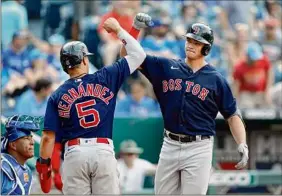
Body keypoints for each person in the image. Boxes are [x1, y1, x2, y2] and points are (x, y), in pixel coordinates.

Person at [120, 14, 249, 194]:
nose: (190, 44)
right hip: (170, 144)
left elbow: (232, 115)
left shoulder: (216, 79)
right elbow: (127, 55)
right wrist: (135, 29)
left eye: (197, 42)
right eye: (189, 40)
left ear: (206, 48)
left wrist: (242, 143)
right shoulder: (166, 67)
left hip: (199, 147)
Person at [35, 16, 146, 195]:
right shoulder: (105, 76)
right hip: (102, 150)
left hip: (74, 153)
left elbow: (48, 137)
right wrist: (119, 30)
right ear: (85, 60)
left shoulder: (56, 95)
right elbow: (138, 55)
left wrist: (44, 164)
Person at [1, 115, 40, 195]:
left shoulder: (26, 170)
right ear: (13, 145)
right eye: (26, 138)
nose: (32, 142)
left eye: (31, 137)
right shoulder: (3, 167)